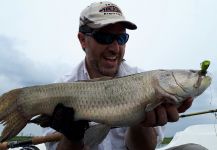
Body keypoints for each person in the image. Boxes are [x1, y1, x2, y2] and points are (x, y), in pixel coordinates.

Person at [43, 1, 208, 150]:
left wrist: (141, 123)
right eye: (104, 37)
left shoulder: (142, 79)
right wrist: (73, 138)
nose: (115, 48)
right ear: (82, 40)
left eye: (121, 38)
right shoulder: (62, 87)